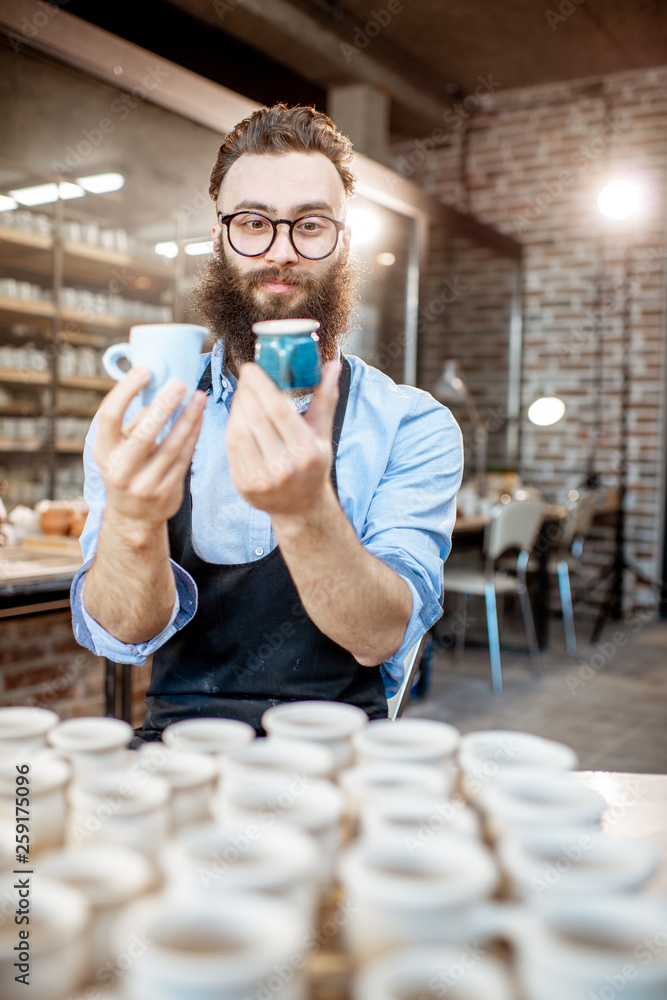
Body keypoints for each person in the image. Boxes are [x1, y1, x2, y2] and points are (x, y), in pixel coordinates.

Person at [70, 104, 463, 742]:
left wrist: (306, 511)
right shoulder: (147, 416)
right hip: (181, 752)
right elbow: (123, 633)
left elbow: (378, 636)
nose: (280, 252)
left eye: (309, 225)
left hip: (342, 756)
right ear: (221, 235)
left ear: (342, 240)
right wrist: (135, 521)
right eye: (253, 222)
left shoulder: (411, 423)